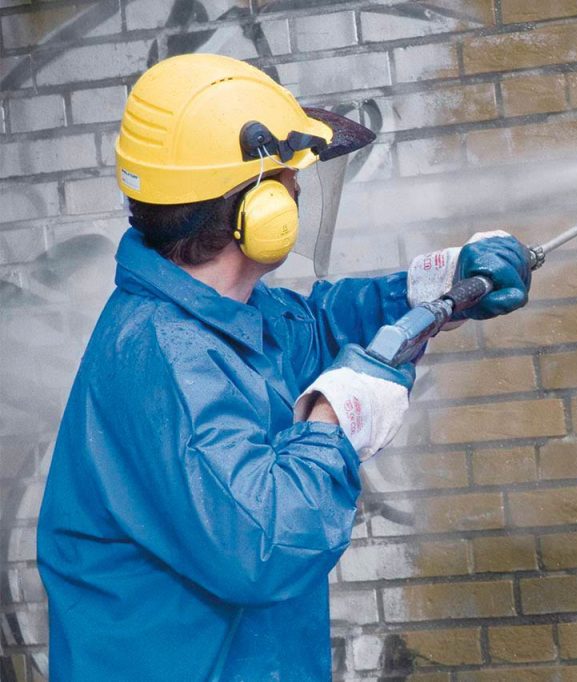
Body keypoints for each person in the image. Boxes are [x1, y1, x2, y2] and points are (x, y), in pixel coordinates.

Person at [36, 53, 531, 681]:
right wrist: (334, 421)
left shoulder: (219, 315)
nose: (300, 192)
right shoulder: (166, 359)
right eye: (292, 179)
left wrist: (421, 292)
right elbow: (265, 544)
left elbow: (314, 327)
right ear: (262, 208)